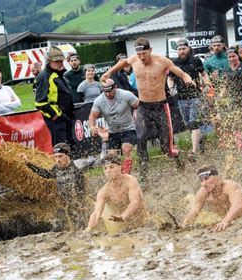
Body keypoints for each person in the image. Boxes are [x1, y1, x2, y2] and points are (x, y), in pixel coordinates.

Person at [100, 38, 194, 182]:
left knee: (166, 148)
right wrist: (109, 73)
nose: (142, 57)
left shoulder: (162, 61)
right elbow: (123, 63)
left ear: (150, 50)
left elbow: (180, 72)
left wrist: (187, 78)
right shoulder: (134, 60)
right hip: (143, 106)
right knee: (141, 139)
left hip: (161, 106)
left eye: (144, 53)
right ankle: (144, 176)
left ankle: (179, 159)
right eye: (139, 54)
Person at [21, 143, 92, 230]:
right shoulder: (56, 168)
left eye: (60, 156)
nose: (57, 160)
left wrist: (81, 203)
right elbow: (46, 174)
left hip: (78, 204)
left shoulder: (77, 167)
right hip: (64, 204)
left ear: (68, 155)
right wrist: (29, 163)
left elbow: (82, 188)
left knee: (82, 227)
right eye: (56, 157)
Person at [167, 38, 211, 161]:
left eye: (183, 49)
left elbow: (203, 74)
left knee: (193, 122)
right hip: (181, 98)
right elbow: (170, 79)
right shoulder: (174, 63)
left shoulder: (195, 61)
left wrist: (207, 84)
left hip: (195, 96)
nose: (182, 51)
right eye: (179, 49)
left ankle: (193, 152)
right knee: (188, 124)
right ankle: (200, 142)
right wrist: (171, 89)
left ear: (188, 49)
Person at [89, 78, 139, 174]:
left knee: (126, 149)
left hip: (128, 129)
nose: (108, 94)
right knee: (112, 157)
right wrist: (92, 127)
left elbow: (139, 106)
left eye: (110, 91)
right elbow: (92, 116)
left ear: (115, 87)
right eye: (105, 92)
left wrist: (142, 120)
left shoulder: (126, 95)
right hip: (113, 132)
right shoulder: (99, 100)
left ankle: (126, 175)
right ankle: (117, 176)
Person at [87, 154, 149, 231]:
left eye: (111, 167)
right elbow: (97, 212)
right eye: (105, 168)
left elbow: (135, 202)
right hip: (126, 228)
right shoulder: (103, 192)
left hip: (145, 223)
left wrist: (123, 216)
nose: (108, 171)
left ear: (119, 167)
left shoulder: (130, 181)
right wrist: (88, 228)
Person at [182, 165, 242, 232]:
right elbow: (194, 211)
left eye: (206, 179)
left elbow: (238, 204)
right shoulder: (203, 193)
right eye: (201, 180)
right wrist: (184, 225)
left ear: (217, 177)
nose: (203, 184)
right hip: (226, 218)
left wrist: (225, 221)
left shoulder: (229, 186)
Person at [35, 46, 75, 146]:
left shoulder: (58, 74)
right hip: (57, 119)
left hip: (66, 117)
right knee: (60, 147)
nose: (61, 63)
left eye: (61, 61)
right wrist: (55, 114)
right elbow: (40, 102)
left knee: (70, 145)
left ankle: (70, 161)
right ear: (50, 61)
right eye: (58, 61)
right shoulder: (45, 76)